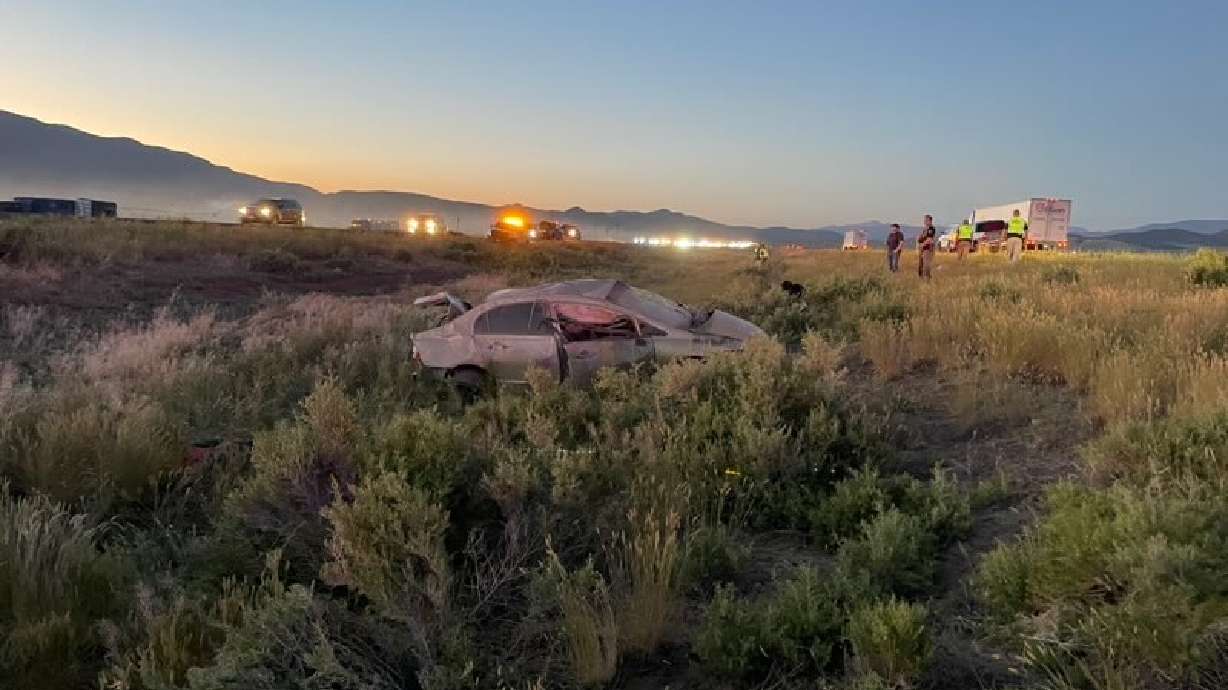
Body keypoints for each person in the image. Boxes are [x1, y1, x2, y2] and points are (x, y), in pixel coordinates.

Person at [917, 215, 936, 279]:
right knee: (921, 263)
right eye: (924, 220)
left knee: (926, 263)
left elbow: (929, 239)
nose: (924, 221)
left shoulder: (931, 229)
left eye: (926, 220)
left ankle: (927, 277)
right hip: (922, 247)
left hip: (928, 248)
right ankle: (921, 276)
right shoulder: (925, 228)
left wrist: (922, 245)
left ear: (930, 221)